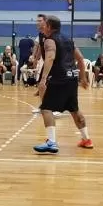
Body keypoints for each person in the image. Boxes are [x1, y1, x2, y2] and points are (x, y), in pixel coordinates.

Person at [33, 15, 92, 153]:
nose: (42, 26)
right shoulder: (68, 40)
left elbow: (50, 57)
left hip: (58, 78)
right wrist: (83, 78)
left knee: (46, 108)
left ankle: (51, 142)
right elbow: (80, 58)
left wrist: (43, 80)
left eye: (44, 24)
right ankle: (86, 139)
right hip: (72, 79)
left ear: (49, 26)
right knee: (74, 110)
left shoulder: (50, 40)